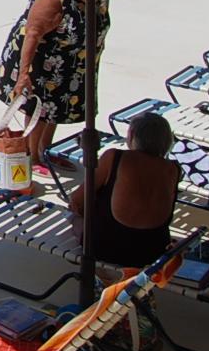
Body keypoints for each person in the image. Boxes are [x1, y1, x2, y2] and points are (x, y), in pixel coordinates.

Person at [0, 0, 119, 163]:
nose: (99, 0)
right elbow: (32, 34)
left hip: (70, 62)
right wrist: (24, 75)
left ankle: (45, 151)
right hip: (42, 61)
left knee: (56, 110)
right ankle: (32, 157)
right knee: (41, 110)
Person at [68, 111, 181, 268]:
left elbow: (77, 201)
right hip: (153, 250)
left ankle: (96, 276)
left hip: (108, 248)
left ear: (132, 135)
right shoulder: (173, 169)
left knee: (74, 219)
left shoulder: (116, 157)